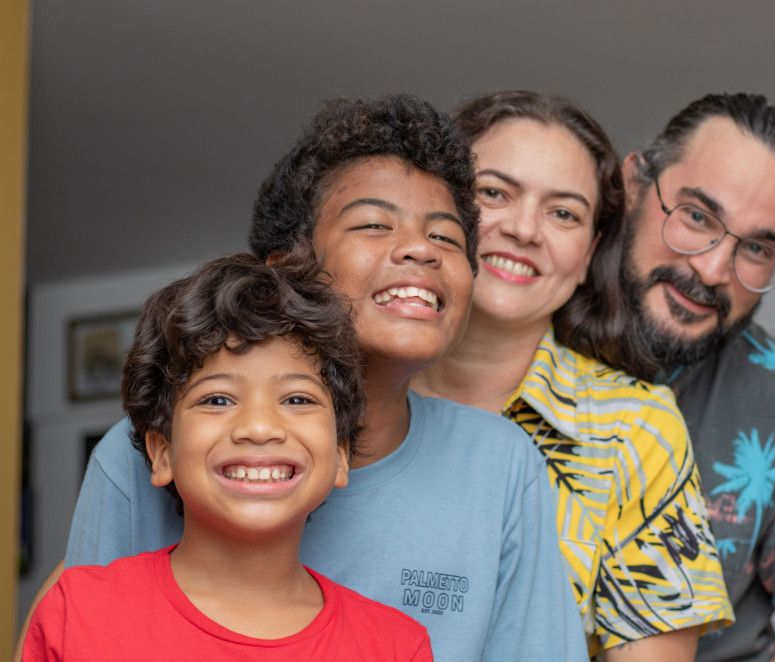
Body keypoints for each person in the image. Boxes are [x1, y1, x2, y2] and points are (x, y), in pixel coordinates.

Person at [55, 94, 588, 662]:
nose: (419, 250)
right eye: (375, 224)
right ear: (284, 270)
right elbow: (86, 630)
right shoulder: (143, 452)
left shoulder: (501, 467)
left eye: (446, 238)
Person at [555, 93, 775, 661]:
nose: (711, 269)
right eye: (697, 217)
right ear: (634, 183)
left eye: (756, 248)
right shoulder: (516, 323)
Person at [412, 91, 732, 661]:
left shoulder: (637, 429)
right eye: (493, 193)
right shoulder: (327, 390)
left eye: (563, 213)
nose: (525, 229)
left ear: (590, 253)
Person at [23, 252, 433, 661]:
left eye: (296, 398)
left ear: (341, 456)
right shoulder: (76, 612)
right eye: (218, 399)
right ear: (162, 453)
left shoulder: (395, 646)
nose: (258, 428)